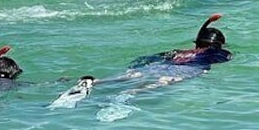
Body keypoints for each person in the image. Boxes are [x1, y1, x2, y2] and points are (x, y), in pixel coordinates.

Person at [50, 14, 231, 117]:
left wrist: (136, 65)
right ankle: (128, 94)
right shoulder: (219, 53)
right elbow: (216, 59)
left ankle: (95, 82)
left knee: (134, 74)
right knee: (164, 81)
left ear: (197, 42)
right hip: (189, 68)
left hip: (163, 62)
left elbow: (148, 58)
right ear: (217, 45)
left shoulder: (178, 51)